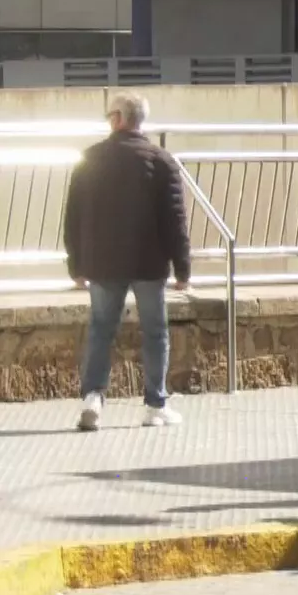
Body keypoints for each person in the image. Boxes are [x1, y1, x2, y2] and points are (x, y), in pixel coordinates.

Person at [65, 93, 191, 431]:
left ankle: (93, 396)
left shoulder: (90, 158)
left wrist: (75, 264)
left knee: (101, 330)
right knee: (155, 332)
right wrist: (183, 268)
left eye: (110, 115)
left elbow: (73, 215)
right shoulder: (161, 160)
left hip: (103, 263)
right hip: (149, 263)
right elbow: (174, 218)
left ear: (119, 118)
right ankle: (155, 405)